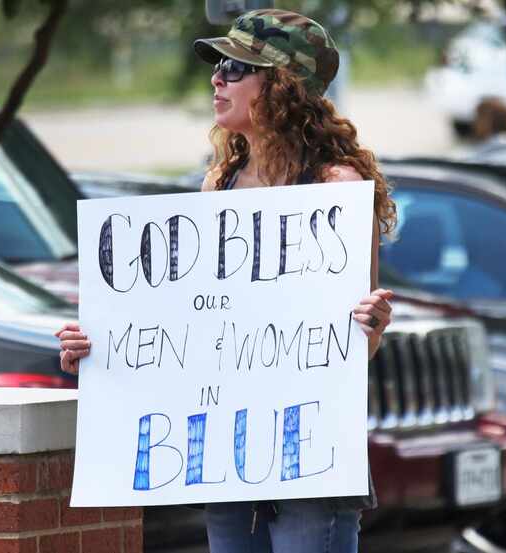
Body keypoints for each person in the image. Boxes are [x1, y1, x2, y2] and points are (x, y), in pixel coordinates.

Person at [56, 8, 396, 553]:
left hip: (308, 452)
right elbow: (186, 323)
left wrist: (371, 327)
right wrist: (99, 344)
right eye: (219, 65)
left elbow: (355, 345)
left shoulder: (335, 185)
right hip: (228, 454)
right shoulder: (221, 184)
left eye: (237, 68)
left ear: (283, 86)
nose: (217, 78)